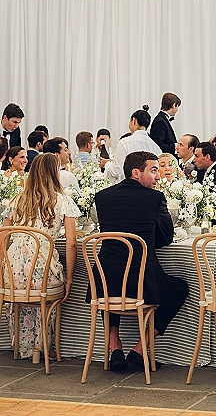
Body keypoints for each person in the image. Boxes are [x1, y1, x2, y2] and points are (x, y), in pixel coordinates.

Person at [91, 151, 189, 372]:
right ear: (136, 173)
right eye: (153, 170)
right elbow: (165, 238)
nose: (158, 177)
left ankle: (114, 346)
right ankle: (140, 348)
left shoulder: (102, 197)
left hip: (104, 281)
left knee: (112, 288)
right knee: (180, 289)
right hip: (143, 283)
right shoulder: (155, 198)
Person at [2, 152, 80, 360]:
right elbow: (71, 243)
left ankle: (22, 345)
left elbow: (3, 237)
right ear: (55, 174)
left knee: (24, 292)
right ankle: (43, 346)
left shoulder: (16, 200)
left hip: (13, 273)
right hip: (42, 271)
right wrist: (70, 279)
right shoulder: (62, 201)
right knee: (47, 285)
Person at [104, 106, 160, 183]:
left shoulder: (124, 143)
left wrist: (107, 164)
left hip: (128, 188)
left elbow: (116, 171)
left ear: (134, 120)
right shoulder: (155, 146)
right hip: (149, 188)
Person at [149, 93, 181, 157]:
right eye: (177, 106)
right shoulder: (160, 121)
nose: (177, 109)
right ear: (173, 105)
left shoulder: (162, 119)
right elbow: (158, 145)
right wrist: (175, 146)